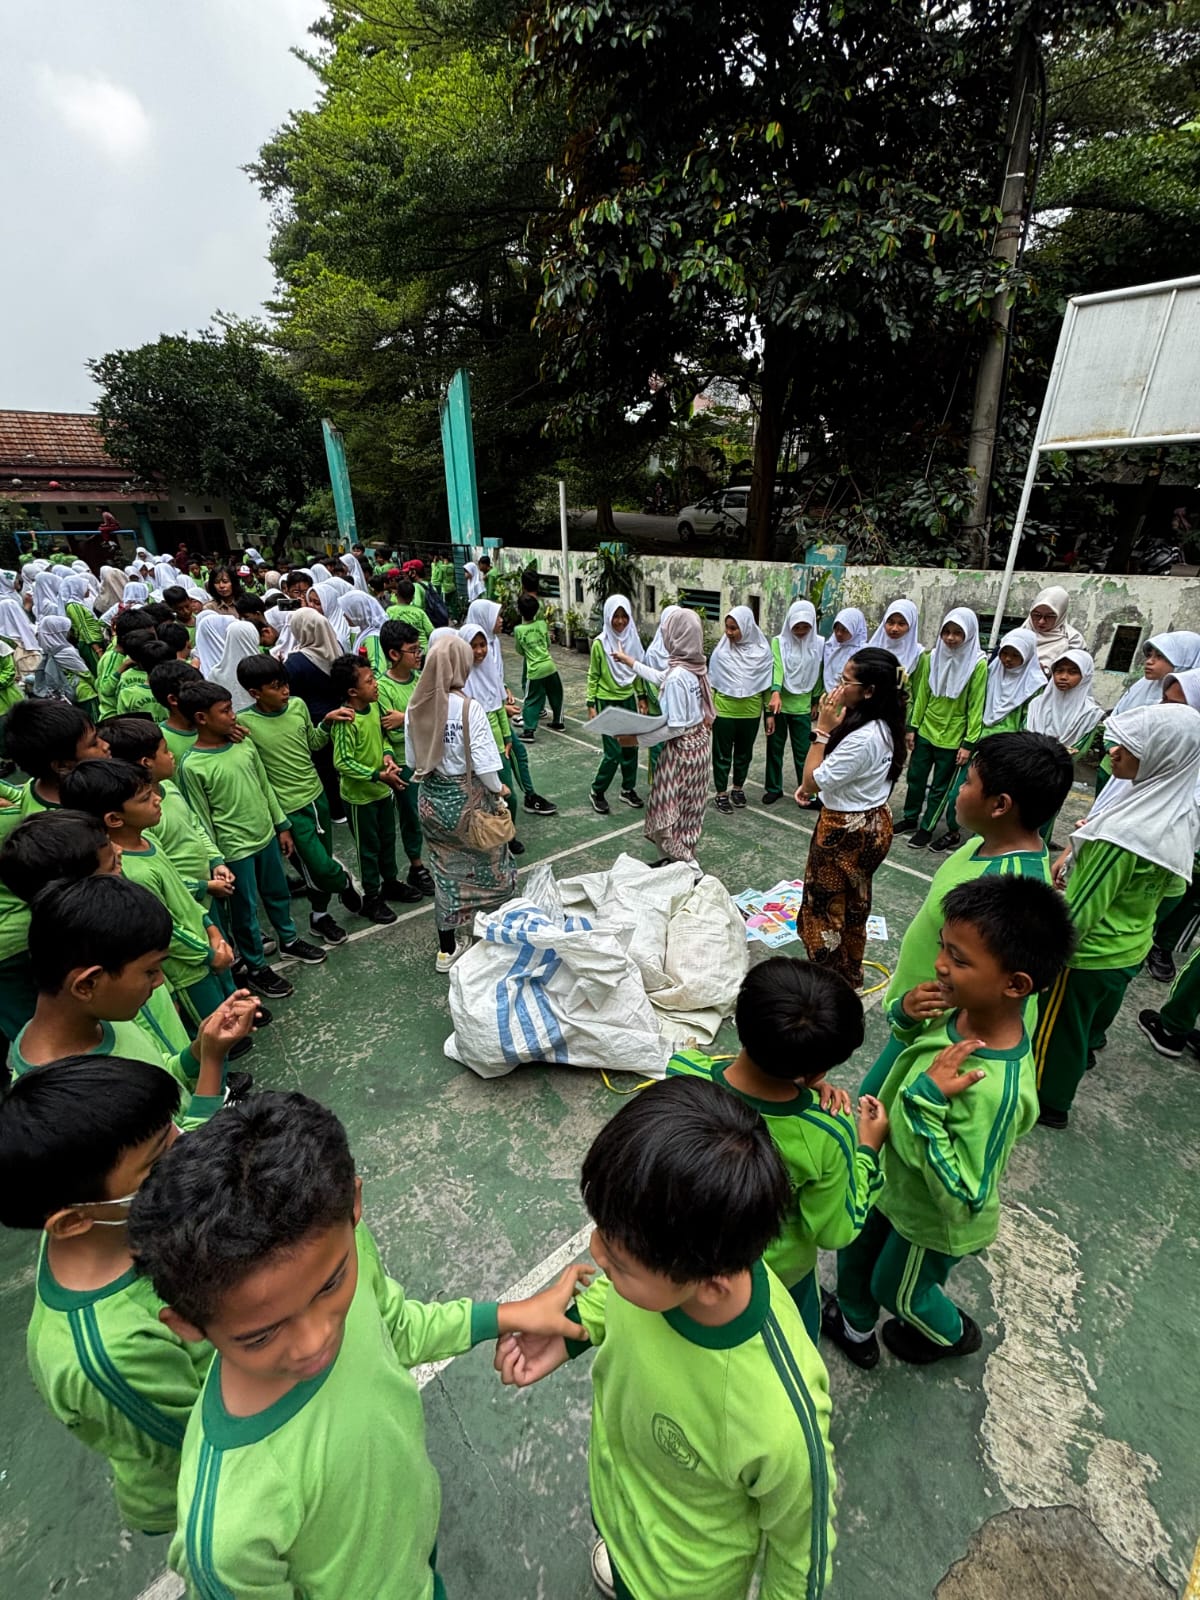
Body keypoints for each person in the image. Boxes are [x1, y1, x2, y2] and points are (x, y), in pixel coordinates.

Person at [127, 1088, 588, 1599]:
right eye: (261, 1335)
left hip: (411, 1552)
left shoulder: (334, 1250)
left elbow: (396, 1328)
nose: (316, 1339)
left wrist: (505, 1316)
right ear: (188, 1325)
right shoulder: (225, 1539)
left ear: (355, 1207)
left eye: (330, 1287)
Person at [494, 1076, 836, 1600]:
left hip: (680, 1582)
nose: (595, 1253)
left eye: (618, 1262)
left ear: (711, 1286)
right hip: (618, 1495)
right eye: (601, 1233)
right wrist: (571, 1333)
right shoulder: (677, 1265)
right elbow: (616, 1296)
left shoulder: (777, 1417)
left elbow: (801, 1559)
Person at [824, 876, 1074, 1368]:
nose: (939, 964)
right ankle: (853, 1325)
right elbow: (910, 1052)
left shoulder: (998, 1089)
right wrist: (906, 1016)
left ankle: (951, 1335)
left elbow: (966, 1195)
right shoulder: (960, 1011)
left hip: (929, 1218)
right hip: (888, 1174)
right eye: (943, 947)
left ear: (1015, 984)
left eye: (958, 959)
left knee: (899, 1290)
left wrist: (925, 1104)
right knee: (854, 1248)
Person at [0, 1058, 207, 1533]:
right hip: (198, 1486)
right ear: (73, 1221)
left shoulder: (104, 1230)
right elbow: (208, 1446)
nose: (188, 1149)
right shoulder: (109, 1355)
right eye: (159, 1161)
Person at [668, 958, 887, 1340]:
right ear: (819, 1071)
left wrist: (798, 1084)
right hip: (774, 1276)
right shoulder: (827, 1131)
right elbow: (835, 1230)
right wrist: (867, 1150)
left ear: (741, 1021)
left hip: (683, 1253)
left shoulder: (683, 1073)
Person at [861, 731, 1073, 1095]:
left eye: (968, 782)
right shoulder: (984, 843)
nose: (958, 789)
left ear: (1000, 805)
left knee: (877, 1101)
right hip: (918, 1013)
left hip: (938, 1034)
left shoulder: (1005, 893)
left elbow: (998, 999)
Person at [1035, 704, 1200, 1128]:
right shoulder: (1177, 812)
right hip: (1130, 947)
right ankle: (1088, 1048)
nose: (1112, 750)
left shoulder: (1122, 835)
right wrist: (1136, 921)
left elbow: (1080, 911)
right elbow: (1174, 891)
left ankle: (1049, 1100)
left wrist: (1044, 957)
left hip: (1085, 957)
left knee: (1057, 1032)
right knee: (1091, 1020)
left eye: (1130, 745)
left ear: (1162, 755)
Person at [9, 877, 256, 1126]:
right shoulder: (63, 1102)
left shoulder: (102, 1020)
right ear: (87, 984)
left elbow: (163, 1075)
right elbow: (187, 1149)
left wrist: (199, 1051)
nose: (160, 981)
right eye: (150, 971)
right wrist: (212, 1061)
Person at [60, 761, 239, 1032]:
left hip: (206, 949)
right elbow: (164, 931)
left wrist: (211, 929)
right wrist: (208, 954)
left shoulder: (148, 841)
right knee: (213, 1034)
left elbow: (181, 897)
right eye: (145, 798)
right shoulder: (132, 872)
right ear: (114, 819)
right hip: (188, 971)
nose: (157, 799)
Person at [176, 680, 326, 997]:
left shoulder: (243, 745)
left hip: (266, 837)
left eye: (232, 708)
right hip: (234, 850)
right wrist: (216, 860)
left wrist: (281, 825)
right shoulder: (192, 765)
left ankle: (289, 940)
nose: (233, 716)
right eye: (225, 711)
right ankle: (257, 966)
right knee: (244, 912)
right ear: (201, 718)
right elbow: (201, 818)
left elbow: (264, 786)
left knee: (278, 893)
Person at [405, 635, 517, 973]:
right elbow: (485, 767)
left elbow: (412, 761)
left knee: (445, 873)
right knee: (494, 866)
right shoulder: (470, 709)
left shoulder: (416, 706)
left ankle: (447, 949)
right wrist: (500, 789)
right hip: (469, 805)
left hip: (432, 803)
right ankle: (497, 936)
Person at [798, 646, 906, 991]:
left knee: (823, 909)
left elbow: (811, 781)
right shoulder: (884, 724)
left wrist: (822, 730)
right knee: (854, 903)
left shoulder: (863, 738)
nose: (837, 688)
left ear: (869, 691)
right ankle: (849, 974)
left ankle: (826, 987)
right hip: (874, 820)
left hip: (845, 830)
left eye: (846, 682)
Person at [236, 654, 365, 943]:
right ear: (255, 693)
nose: (285, 691)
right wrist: (280, 823)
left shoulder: (297, 706)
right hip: (289, 810)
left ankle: (319, 917)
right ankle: (342, 882)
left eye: (285, 684)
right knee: (319, 867)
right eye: (276, 687)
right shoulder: (244, 724)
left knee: (318, 865)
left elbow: (313, 744)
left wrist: (327, 723)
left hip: (317, 798)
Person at [614, 606, 713, 875]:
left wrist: (637, 739)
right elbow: (661, 677)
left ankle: (690, 870)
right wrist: (630, 662)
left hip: (682, 753)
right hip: (699, 746)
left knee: (670, 814)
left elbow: (675, 727)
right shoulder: (694, 666)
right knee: (688, 812)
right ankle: (678, 864)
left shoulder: (679, 676)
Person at [935, 628, 1048, 853]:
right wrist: (968, 741)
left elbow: (1029, 723)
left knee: (994, 801)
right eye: (1005, 653)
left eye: (1015, 655)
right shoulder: (990, 671)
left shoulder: (1035, 685)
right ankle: (953, 831)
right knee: (959, 792)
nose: (1007, 659)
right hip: (978, 745)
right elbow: (975, 706)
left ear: (1027, 656)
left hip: (1007, 753)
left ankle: (982, 842)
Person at [329, 652, 413, 919]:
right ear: (352, 692)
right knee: (368, 849)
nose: (376, 684)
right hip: (360, 798)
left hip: (381, 792)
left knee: (388, 840)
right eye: (369, 681)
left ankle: (390, 883)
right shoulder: (347, 720)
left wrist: (387, 757)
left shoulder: (374, 708)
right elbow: (343, 762)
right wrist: (377, 775)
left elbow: (383, 738)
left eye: (373, 677)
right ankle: (372, 897)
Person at [462, 598, 556, 836]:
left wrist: (502, 693)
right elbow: (473, 706)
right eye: (497, 616)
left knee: (514, 760)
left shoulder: (491, 644)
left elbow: (492, 683)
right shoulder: (464, 666)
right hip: (482, 737)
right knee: (496, 785)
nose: (501, 620)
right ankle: (501, 826)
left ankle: (519, 809)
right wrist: (501, 707)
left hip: (498, 727)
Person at [897, 606, 986, 849]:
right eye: (946, 632)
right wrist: (912, 727)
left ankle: (926, 828)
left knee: (940, 787)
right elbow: (922, 695)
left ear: (969, 634)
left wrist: (968, 743)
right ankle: (910, 818)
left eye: (957, 633)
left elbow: (976, 705)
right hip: (926, 730)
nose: (950, 638)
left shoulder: (977, 664)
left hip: (953, 736)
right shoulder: (931, 657)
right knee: (915, 778)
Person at [1092, 630, 1200, 793]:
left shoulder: (1191, 698)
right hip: (1113, 768)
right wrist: (1114, 747)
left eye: (1160, 656)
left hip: (1157, 781)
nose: (1149, 661)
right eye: (1149, 655)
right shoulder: (1141, 687)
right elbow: (1115, 721)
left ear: (1186, 660)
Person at [375, 621, 436, 899]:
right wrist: (414, 721)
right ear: (394, 654)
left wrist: (407, 718)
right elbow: (390, 730)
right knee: (412, 815)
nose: (418, 654)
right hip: (405, 762)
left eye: (419, 649)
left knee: (432, 812)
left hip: (429, 755)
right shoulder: (383, 688)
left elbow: (434, 715)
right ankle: (417, 865)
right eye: (413, 650)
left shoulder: (421, 679)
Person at [1024, 649, 1106, 839]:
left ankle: (1038, 845)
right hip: (1028, 767)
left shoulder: (1090, 713)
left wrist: (1051, 753)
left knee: (1046, 812)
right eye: (1059, 671)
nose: (1063, 677)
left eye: (1072, 672)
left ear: (1085, 676)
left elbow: (1079, 748)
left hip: (1058, 772)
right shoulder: (1037, 704)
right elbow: (1025, 734)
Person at [706, 605, 773, 815]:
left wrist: (769, 715)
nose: (729, 632)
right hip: (724, 712)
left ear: (746, 627)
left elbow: (766, 686)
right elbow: (712, 685)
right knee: (722, 755)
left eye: (734, 628)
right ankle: (721, 793)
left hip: (751, 713)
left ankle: (737, 788)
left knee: (744, 754)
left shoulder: (763, 653)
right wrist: (708, 713)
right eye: (727, 627)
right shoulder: (721, 653)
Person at [284, 608, 348, 823]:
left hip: (315, 720)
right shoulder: (335, 647)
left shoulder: (296, 661)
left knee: (324, 766)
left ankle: (336, 811)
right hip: (343, 713)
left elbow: (291, 693)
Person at [587, 594, 648, 817]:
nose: (620, 621)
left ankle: (627, 789)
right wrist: (591, 703)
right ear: (608, 617)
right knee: (613, 753)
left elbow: (637, 670)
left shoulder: (633, 640)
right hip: (606, 701)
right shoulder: (600, 644)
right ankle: (597, 790)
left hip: (628, 699)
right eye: (616, 616)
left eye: (624, 616)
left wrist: (641, 696)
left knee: (631, 747)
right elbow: (593, 675)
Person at [764, 599, 822, 806]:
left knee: (804, 751)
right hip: (779, 704)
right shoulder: (778, 642)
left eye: (806, 626)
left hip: (802, 707)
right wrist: (775, 693)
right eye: (796, 626)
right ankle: (773, 788)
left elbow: (819, 673)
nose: (801, 631)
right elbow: (777, 668)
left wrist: (815, 700)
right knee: (774, 748)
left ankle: (807, 791)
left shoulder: (819, 643)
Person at [513, 592, 564, 739]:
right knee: (556, 695)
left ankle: (529, 730)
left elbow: (519, 650)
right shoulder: (542, 624)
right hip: (550, 666)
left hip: (534, 670)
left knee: (531, 699)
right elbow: (548, 643)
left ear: (520, 611)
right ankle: (559, 722)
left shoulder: (518, 630)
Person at [33, 614, 98, 717]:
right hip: (85, 694)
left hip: (68, 696)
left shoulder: (49, 650)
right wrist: (100, 690)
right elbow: (86, 674)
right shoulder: (66, 651)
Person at [1021, 586, 1086, 676]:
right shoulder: (1020, 633)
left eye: (1050, 616)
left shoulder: (1073, 640)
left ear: (1061, 615)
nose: (1041, 621)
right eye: (1036, 615)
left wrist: (1047, 673)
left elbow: (1074, 673)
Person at [148, 660, 204, 762]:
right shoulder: (160, 741)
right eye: (194, 692)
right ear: (173, 699)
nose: (203, 696)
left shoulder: (213, 727)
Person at [866, 598, 925, 680]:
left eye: (901, 624)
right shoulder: (870, 650)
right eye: (891, 622)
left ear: (910, 626)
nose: (894, 629)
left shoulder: (917, 656)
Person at [820, 606, 868, 692]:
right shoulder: (830, 646)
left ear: (855, 629)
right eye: (836, 628)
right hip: (827, 695)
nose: (839, 633)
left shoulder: (863, 652)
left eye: (845, 630)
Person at [386, 577, 433, 644]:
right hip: (422, 647)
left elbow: (386, 631)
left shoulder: (390, 611)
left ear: (397, 594)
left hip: (400, 647)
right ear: (413, 597)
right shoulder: (420, 612)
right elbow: (430, 631)